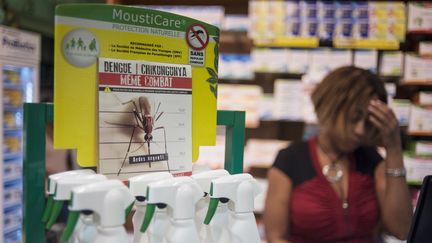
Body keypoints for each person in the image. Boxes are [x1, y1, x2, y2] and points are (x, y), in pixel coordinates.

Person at [264, 66, 413, 243]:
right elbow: (276, 237)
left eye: (368, 123)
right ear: (330, 108)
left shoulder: (372, 160)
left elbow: (402, 230)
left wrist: (394, 147)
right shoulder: (290, 160)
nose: (360, 130)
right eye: (353, 118)